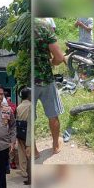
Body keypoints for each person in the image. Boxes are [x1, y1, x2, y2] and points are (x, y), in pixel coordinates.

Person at [34, 18, 65, 155]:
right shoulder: (44, 25)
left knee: (28, 117)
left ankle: (33, 150)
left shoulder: (20, 26)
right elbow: (59, 57)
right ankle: (55, 145)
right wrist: (52, 62)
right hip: (45, 78)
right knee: (53, 114)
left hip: (27, 81)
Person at [16, 87, 31, 185]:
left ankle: (23, 171)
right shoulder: (31, 105)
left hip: (20, 131)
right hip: (28, 131)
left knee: (21, 152)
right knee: (29, 152)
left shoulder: (19, 106)